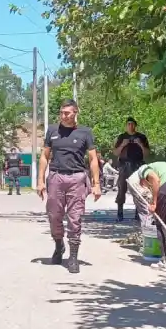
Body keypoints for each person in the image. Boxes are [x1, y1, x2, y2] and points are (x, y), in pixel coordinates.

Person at [37, 99, 101, 274]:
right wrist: (40, 181)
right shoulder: (52, 131)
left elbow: (93, 159)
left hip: (77, 178)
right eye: (61, 112)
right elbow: (44, 156)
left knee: (75, 218)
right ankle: (59, 245)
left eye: (67, 113)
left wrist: (96, 184)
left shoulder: (85, 132)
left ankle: (73, 256)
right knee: (54, 215)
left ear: (75, 113)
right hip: (56, 177)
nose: (63, 116)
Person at [127, 161, 166, 270]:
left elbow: (155, 180)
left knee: (160, 222)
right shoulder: (163, 166)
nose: (147, 186)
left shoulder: (144, 169)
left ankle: (165, 260)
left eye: (144, 184)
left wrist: (154, 202)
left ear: (142, 179)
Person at [113, 117, 150, 222]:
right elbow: (115, 153)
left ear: (135, 125)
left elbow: (147, 154)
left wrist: (140, 144)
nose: (130, 126)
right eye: (128, 124)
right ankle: (120, 213)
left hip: (137, 165)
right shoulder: (122, 137)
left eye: (132, 124)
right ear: (126, 125)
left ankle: (138, 214)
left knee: (139, 189)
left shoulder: (141, 137)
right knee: (121, 189)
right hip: (124, 165)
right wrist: (123, 145)